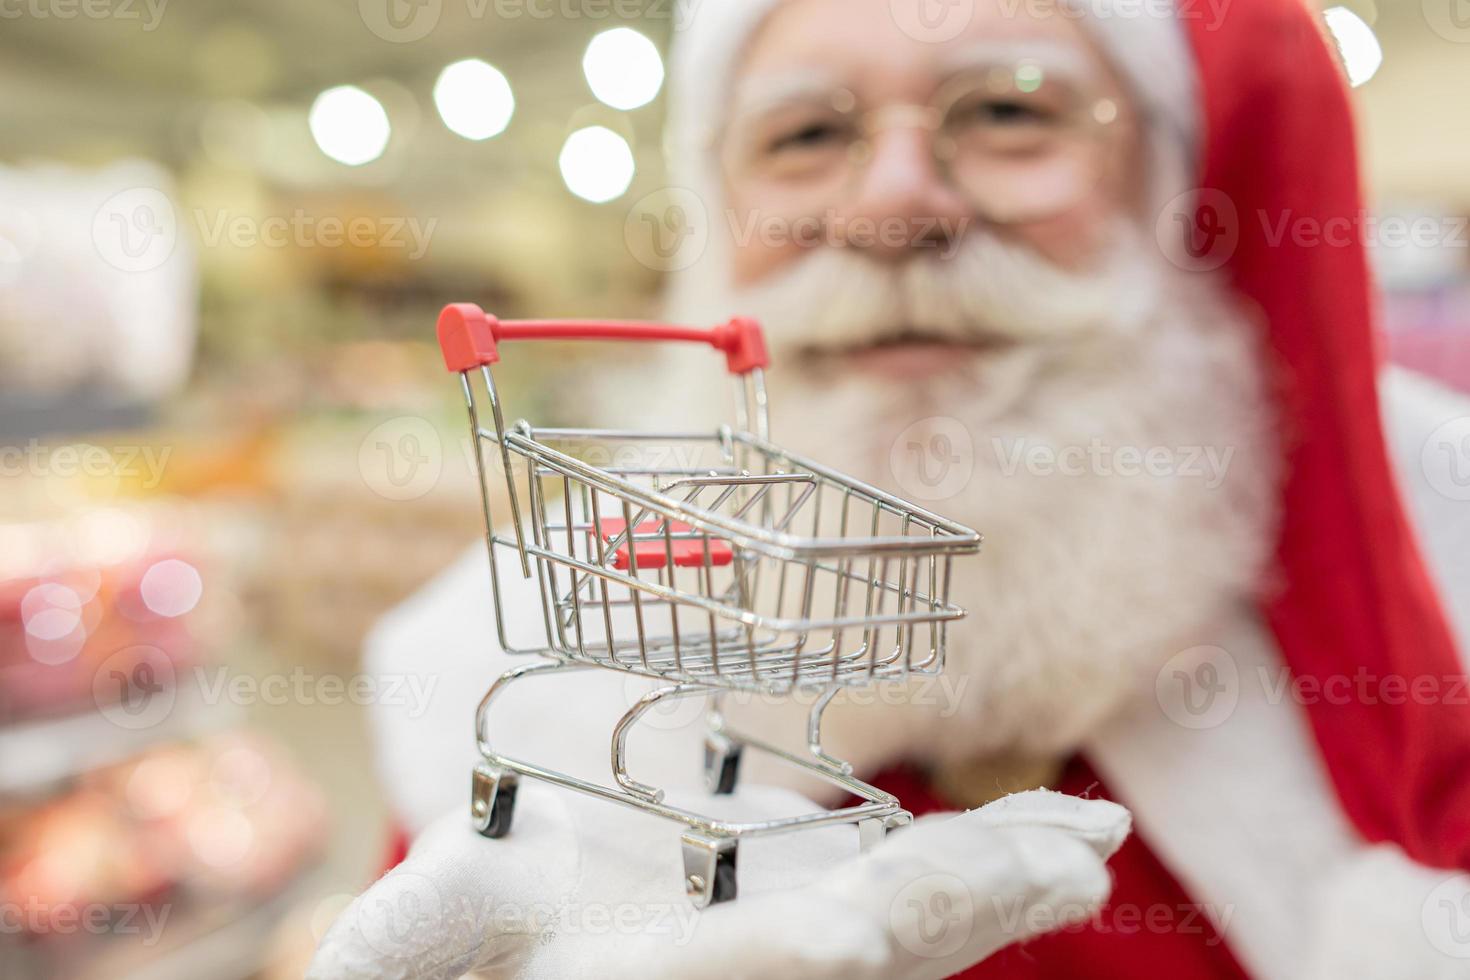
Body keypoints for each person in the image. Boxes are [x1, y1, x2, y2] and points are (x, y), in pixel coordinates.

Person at [310, 0, 1470, 976]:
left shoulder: (1435, 573)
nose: (893, 207)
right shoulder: (485, 689)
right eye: (807, 132)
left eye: (1011, 111)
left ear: (1164, 192)